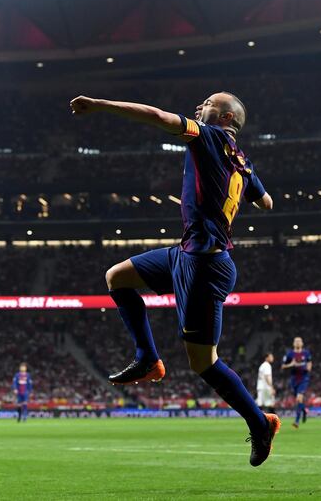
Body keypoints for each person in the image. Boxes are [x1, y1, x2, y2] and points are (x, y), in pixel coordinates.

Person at [70, 91, 280, 466]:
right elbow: (266, 203)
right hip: (187, 253)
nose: (200, 106)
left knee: (203, 363)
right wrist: (244, 185)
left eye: (209, 103)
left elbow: (158, 116)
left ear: (227, 118)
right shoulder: (241, 159)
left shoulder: (210, 136)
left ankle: (260, 422)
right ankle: (147, 358)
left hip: (204, 265)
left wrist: (102, 105)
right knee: (117, 277)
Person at [281, 337, 312, 429]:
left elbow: (309, 364)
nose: (298, 343)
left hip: (303, 378)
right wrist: (291, 364)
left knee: (299, 398)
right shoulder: (289, 354)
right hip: (294, 379)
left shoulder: (306, 353)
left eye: (299, 341)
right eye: (296, 341)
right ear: (293, 344)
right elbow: (283, 366)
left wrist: (306, 368)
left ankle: (297, 421)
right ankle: (304, 410)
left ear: (302, 343)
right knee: (298, 400)